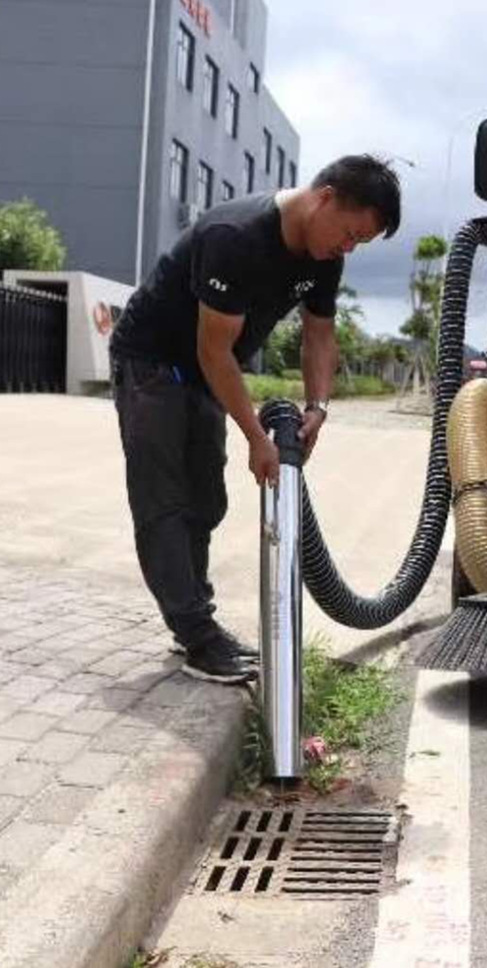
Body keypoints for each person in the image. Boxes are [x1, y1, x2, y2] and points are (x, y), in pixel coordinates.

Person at [110, 155, 400, 684]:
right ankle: (198, 636)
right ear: (325, 198)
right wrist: (255, 437)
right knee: (164, 502)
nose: (349, 248)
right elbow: (213, 349)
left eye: (361, 242)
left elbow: (320, 335)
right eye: (350, 234)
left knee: (206, 500)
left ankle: (193, 622)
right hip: (151, 362)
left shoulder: (324, 256)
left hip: (205, 373)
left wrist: (318, 406)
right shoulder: (236, 236)